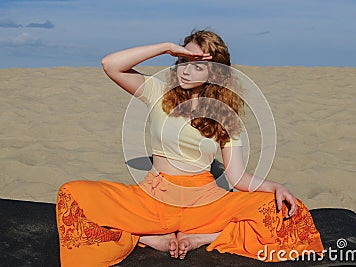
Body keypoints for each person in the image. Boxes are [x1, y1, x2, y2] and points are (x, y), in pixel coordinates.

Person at [56, 30, 324, 266]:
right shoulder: (158, 92)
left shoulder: (226, 116)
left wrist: (275, 186)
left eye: (197, 65)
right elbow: (111, 64)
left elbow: (238, 178)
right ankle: (147, 236)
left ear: (215, 72)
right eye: (183, 61)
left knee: (286, 210)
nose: (185, 70)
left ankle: (205, 238)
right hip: (153, 198)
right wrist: (165, 47)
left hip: (203, 204)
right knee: (72, 195)